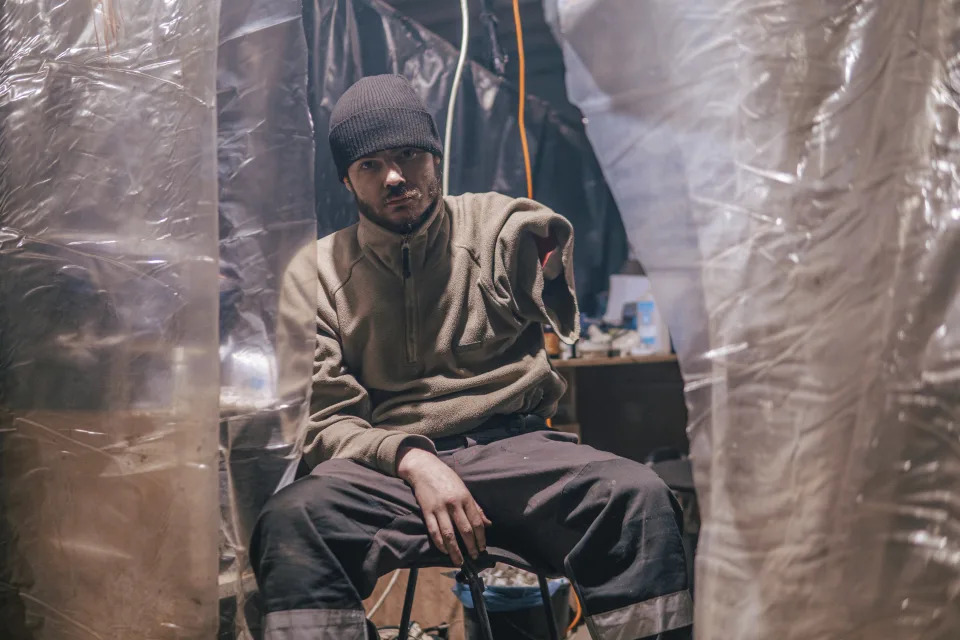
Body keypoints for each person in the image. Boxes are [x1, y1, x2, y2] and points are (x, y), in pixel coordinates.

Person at [251, 74, 692, 640]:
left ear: (435, 157)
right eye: (370, 164)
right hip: (391, 475)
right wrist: (413, 460)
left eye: (409, 155)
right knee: (294, 522)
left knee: (636, 498)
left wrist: (547, 261)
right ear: (346, 178)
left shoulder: (488, 224)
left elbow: (530, 234)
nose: (394, 176)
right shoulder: (315, 272)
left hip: (518, 456)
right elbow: (323, 418)